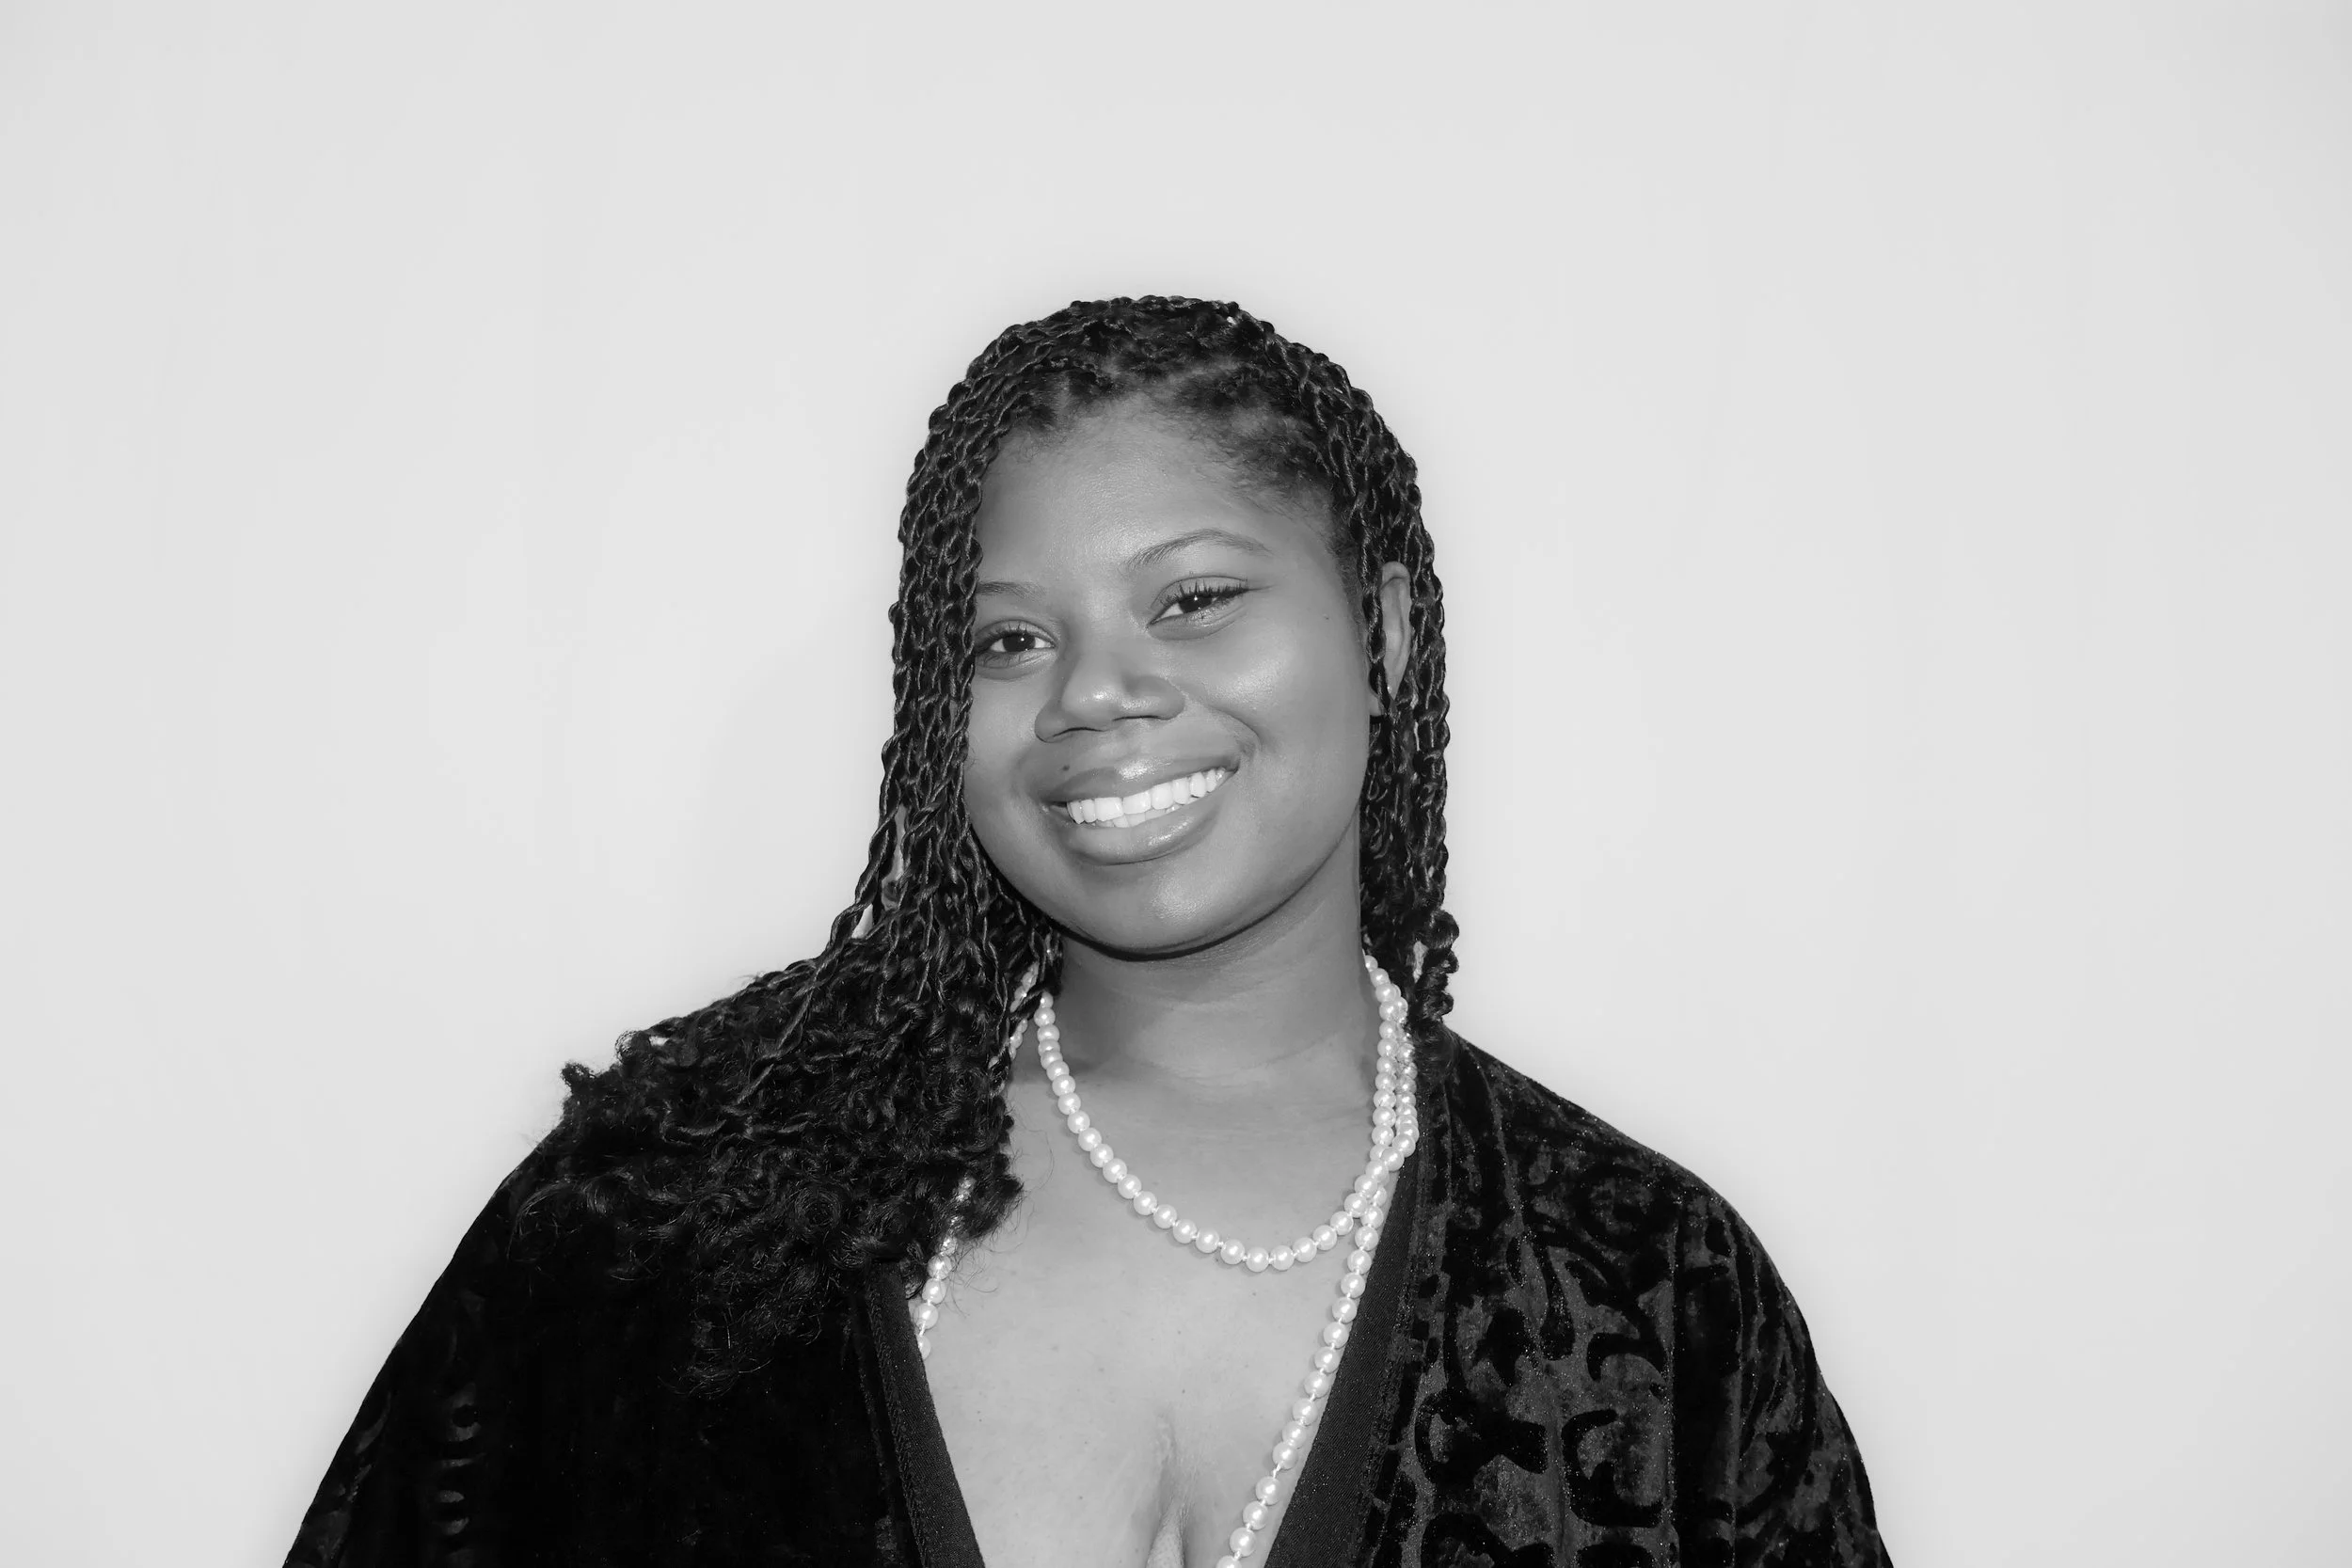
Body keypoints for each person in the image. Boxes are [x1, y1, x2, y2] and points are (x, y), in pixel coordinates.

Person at [286, 296, 1890, 1567]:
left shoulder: (1653, 1292)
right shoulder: (660, 1221)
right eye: (1009, 636)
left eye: (1193, 598)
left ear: (1386, 629)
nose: (1093, 693)